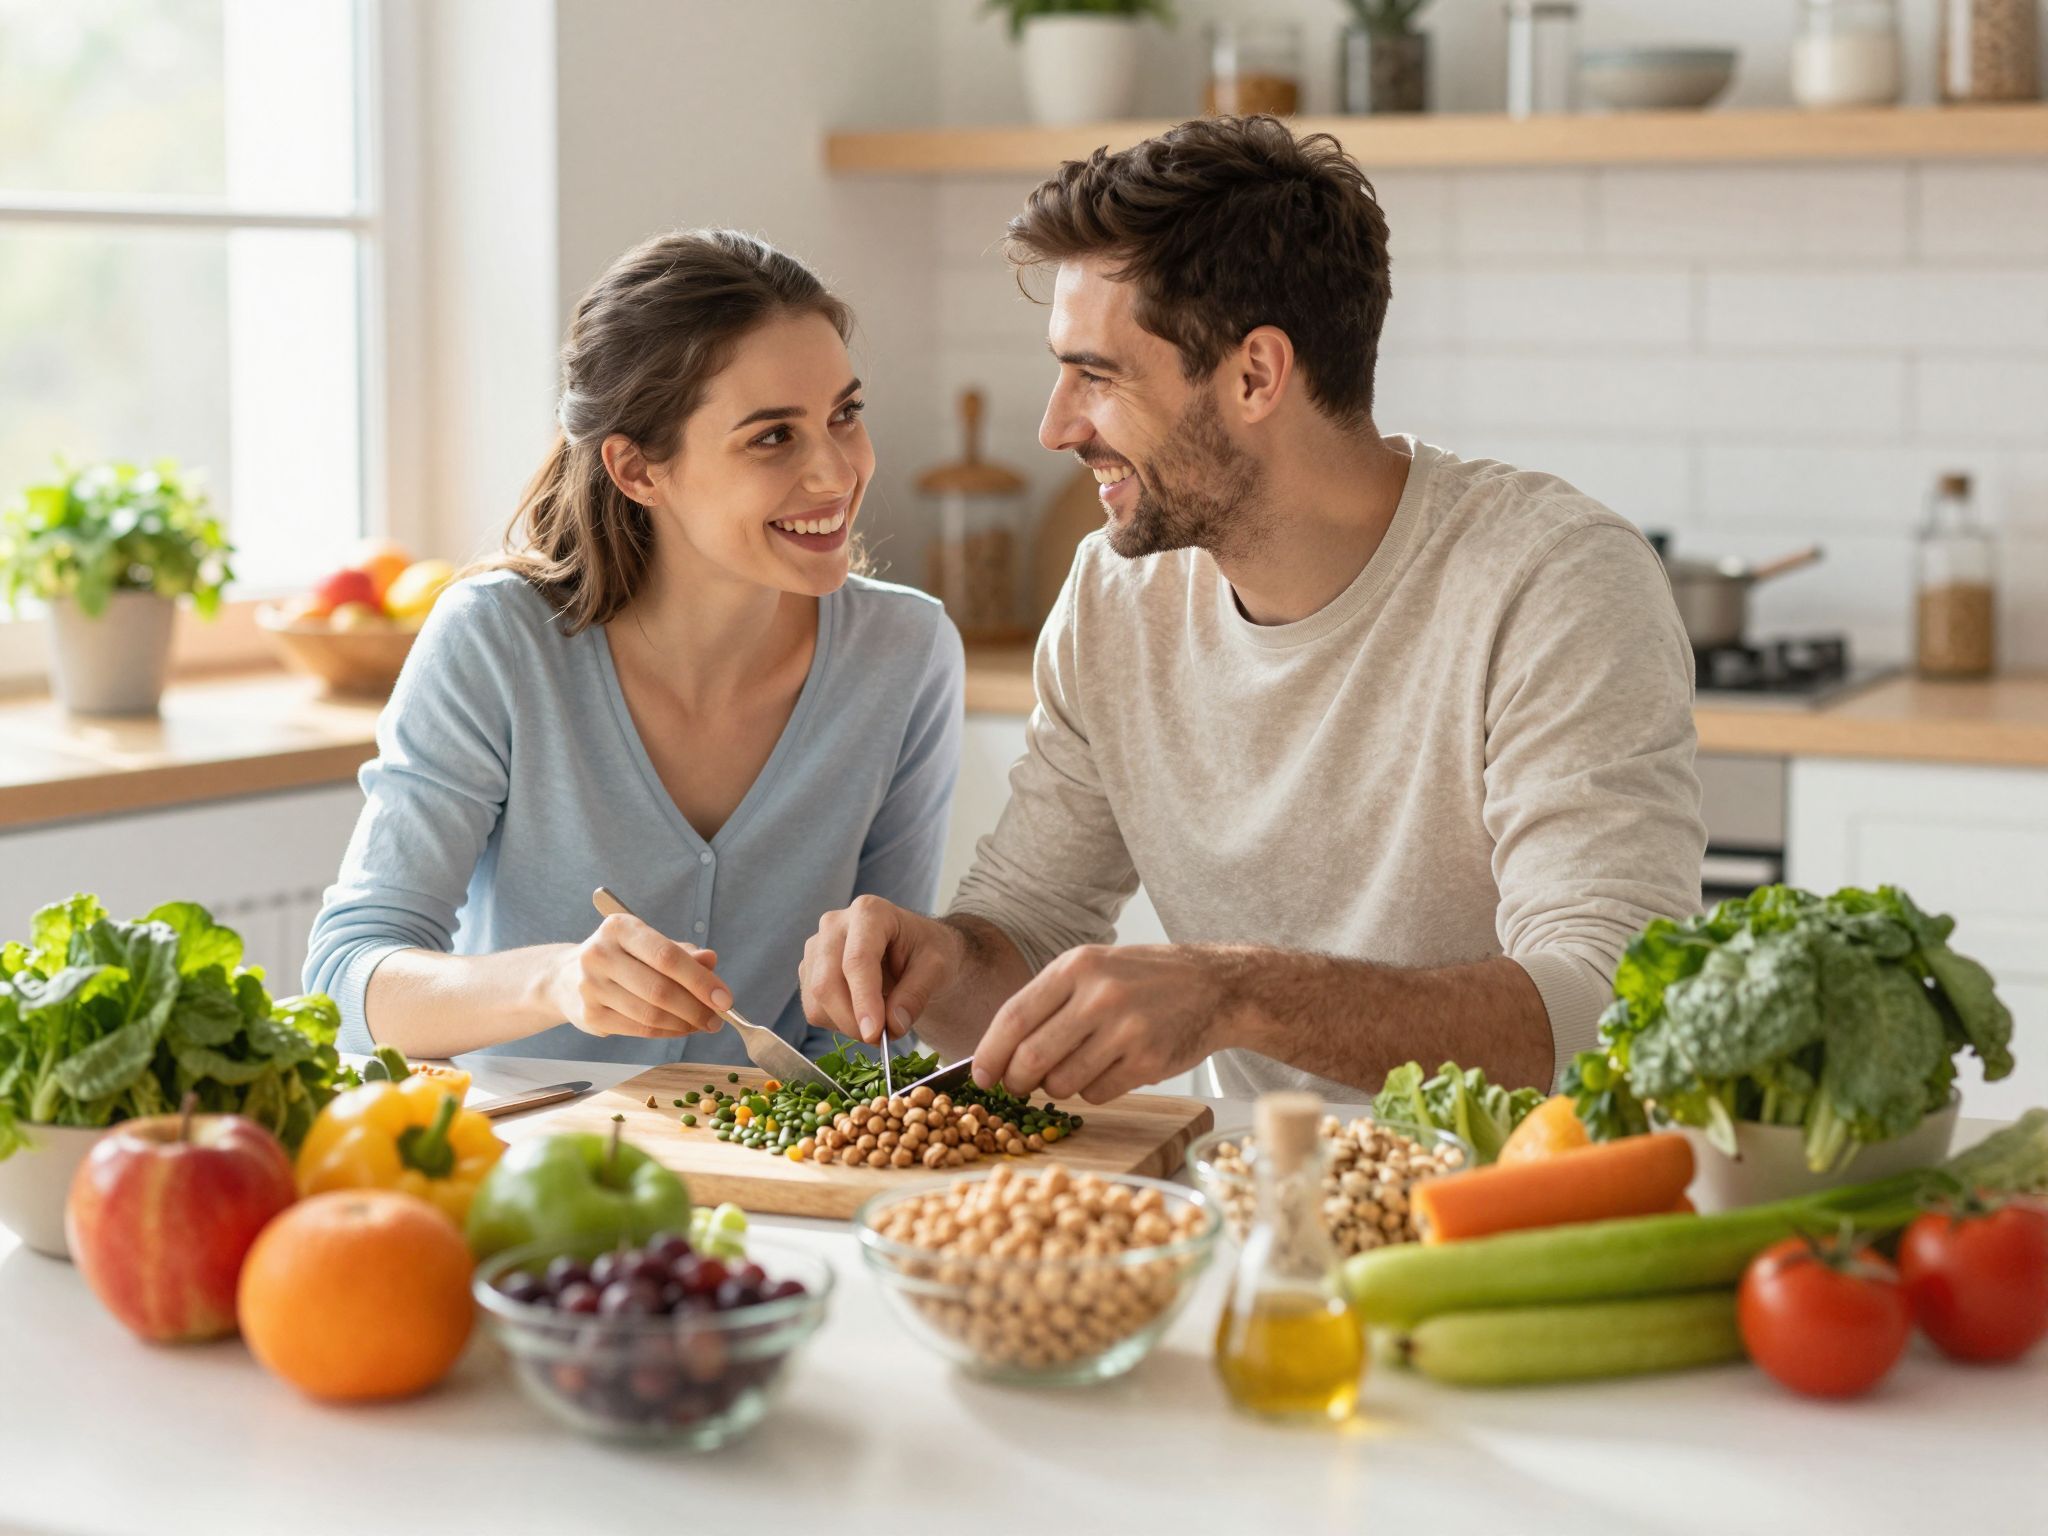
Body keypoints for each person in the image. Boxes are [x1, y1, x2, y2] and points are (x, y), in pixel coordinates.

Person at [799, 116, 1705, 1103]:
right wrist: (927, 961)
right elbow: (1022, 934)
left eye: (1095, 376)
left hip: (1524, 1215)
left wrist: (1238, 993)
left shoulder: (1550, 581)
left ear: (1253, 375)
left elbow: (1608, 1014)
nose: (1055, 427)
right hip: (1255, 1200)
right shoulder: (1114, 595)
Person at [307, 229, 963, 1065]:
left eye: (845, 416)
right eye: (773, 436)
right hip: (536, 1169)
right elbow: (345, 976)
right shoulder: (498, 641)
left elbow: (877, 1021)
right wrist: (556, 982)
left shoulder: (906, 653)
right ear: (637, 470)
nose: (837, 473)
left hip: (781, 1175)